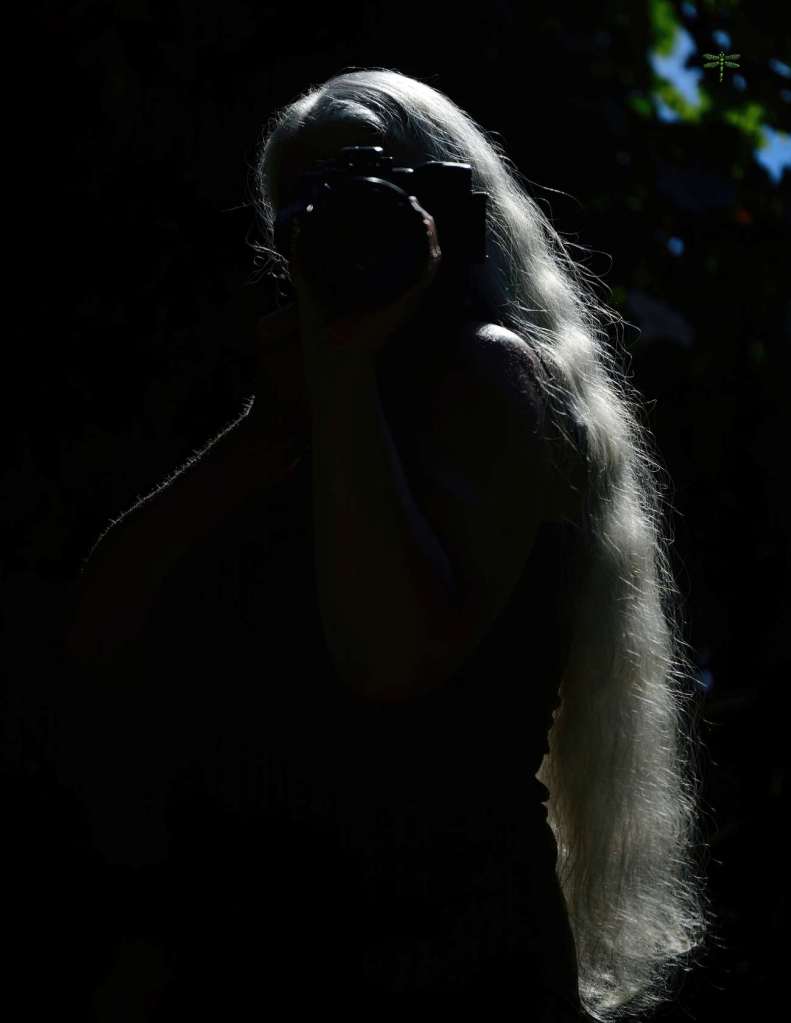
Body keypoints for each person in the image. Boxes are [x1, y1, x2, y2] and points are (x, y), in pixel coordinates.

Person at [55, 68, 713, 1020]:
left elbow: (388, 659)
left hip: (440, 958)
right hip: (285, 941)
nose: (347, 225)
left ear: (450, 208)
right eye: (310, 207)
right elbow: (95, 634)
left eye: (375, 193)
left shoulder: (493, 376)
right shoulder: (304, 397)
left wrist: (340, 374)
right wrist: (270, 426)